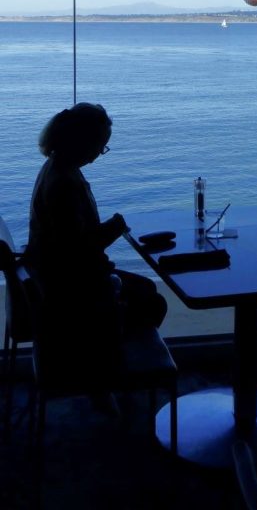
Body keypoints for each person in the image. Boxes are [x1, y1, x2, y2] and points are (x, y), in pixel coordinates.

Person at [25, 102, 167, 386]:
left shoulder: (56, 167)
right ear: (82, 141)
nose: (99, 154)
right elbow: (78, 249)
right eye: (100, 146)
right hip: (70, 286)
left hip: (51, 276)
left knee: (147, 293)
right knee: (152, 302)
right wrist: (115, 227)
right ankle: (101, 371)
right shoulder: (65, 183)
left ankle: (100, 364)